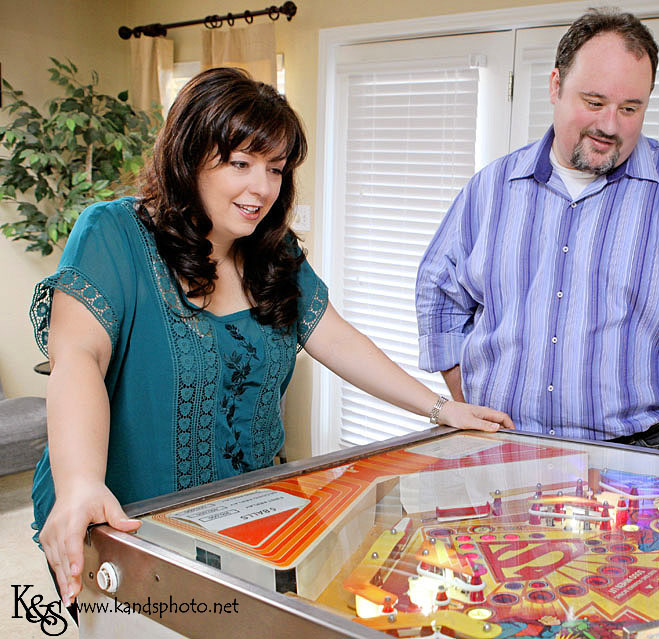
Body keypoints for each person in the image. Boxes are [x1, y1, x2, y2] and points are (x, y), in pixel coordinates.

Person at [30, 67, 513, 614]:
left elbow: (336, 338)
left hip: (246, 523)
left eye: (275, 169)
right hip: (123, 523)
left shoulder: (274, 252)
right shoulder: (112, 233)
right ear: (188, 156)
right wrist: (78, 483)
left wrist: (441, 407)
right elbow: (77, 358)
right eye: (239, 163)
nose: (261, 188)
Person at [416, 9, 659, 472]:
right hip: (502, 450)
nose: (610, 125)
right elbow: (439, 292)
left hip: (639, 460)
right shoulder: (490, 189)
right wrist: (466, 401)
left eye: (630, 108)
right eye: (594, 101)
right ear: (555, 85)